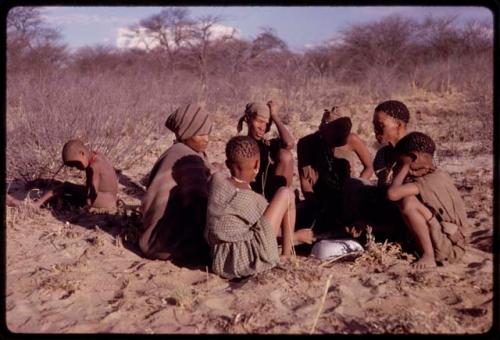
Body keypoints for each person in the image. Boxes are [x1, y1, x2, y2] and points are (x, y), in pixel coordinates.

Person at [205, 136, 314, 279]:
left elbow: (216, 173)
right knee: (285, 193)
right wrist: (297, 236)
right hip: (244, 261)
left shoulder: (216, 182)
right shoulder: (252, 199)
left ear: (227, 163)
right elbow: (268, 230)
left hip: (220, 259)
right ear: (257, 165)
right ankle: (287, 254)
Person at [139, 103, 213, 264]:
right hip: (168, 241)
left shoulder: (176, 150)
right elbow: (197, 207)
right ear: (186, 133)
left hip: (154, 234)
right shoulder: (188, 159)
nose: (206, 139)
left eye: (207, 133)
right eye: (200, 134)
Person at [387, 132, 468, 269]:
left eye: (401, 162)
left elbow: (392, 194)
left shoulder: (427, 181)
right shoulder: (439, 174)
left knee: (408, 203)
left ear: (413, 158)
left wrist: (404, 167)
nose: (400, 167)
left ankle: (428, 255)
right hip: (451, 240)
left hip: (450, 248)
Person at [296, 107, 373, 234]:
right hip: (319, 199)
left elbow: (369, 167)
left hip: (347, 196)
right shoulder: (307, 144)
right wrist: (317, 206)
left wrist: (356, 188)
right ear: (323, 129)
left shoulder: (351, 140)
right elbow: (305, 183)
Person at [32, 139, 119, 213]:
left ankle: (37, 204)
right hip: (110, 199)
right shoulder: (96, 155)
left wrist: (87, 206)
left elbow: (93, 190)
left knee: (66, 187)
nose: (76, 168)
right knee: (67, 193)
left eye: (76, 165)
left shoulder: (94, 166)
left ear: (82, 153)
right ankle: (48, 201)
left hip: (102, 199)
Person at [237, 100, 295, 201]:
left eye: (267, 124)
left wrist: (275, 116)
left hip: (272, 199)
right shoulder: (241, 145)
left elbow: (289, 144)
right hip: (250, 199)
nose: (262, 128)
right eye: (259, 121)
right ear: (247, 119)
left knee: (286, 155)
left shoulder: (269, 145)